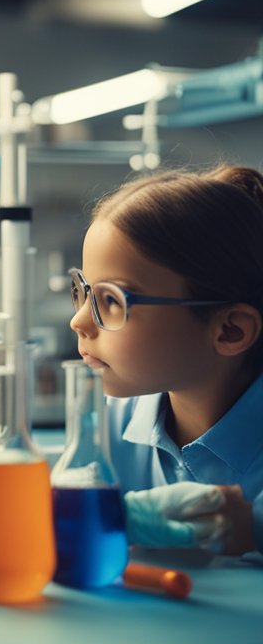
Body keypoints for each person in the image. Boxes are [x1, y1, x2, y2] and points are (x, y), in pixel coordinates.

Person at [69, 164, 263, 556]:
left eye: (111, 301)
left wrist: (254, 530)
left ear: (230, 331)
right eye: (83, 292)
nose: (78, 321)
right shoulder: (107, 422)